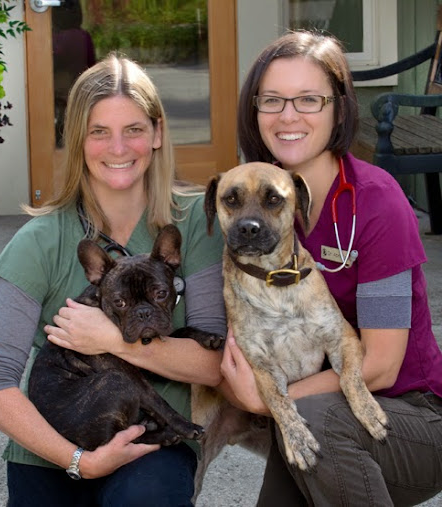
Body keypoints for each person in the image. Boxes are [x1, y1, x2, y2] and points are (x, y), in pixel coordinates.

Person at [0, 54, 226, 507]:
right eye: (99, 132)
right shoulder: (41, 240)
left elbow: (213, 365)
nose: (118, 148)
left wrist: (112, 340)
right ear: (77, 140)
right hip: (50, 448)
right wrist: (78, 461)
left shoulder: (194, 225)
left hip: (150, 446)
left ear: (157, 133)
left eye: (134, 129)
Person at [220, 31, 442, 506]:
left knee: (314, 418)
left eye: (309, 99)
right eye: (272, 100)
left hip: (415, 417)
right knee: (305, 430)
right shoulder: (254, 201)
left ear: (339, 110)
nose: (288, 116)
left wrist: (268, 398)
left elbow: (381, 366)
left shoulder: (378, 204)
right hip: (324, 410)